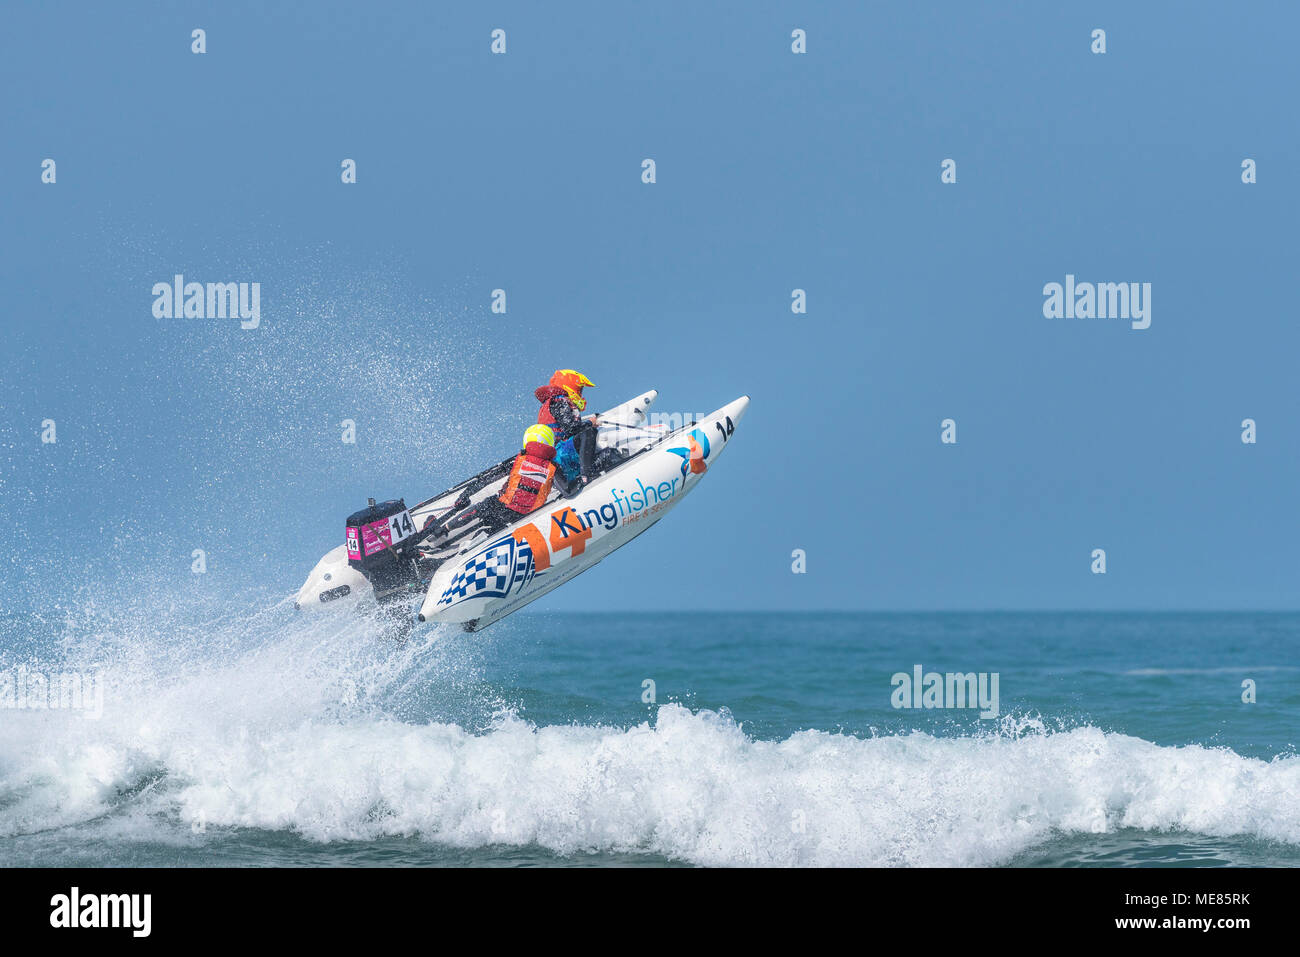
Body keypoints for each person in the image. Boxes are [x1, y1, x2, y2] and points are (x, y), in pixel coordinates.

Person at [534, 369, 624, 494]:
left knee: (610, 455)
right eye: (579, 390)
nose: (581, 394)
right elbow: (571, 428)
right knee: (589, 432)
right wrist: (590, 423)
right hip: (561, 457)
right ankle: (586, 475)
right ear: (569, 386)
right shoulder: (559, 402)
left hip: (565, 462)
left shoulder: (553, 403)